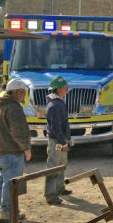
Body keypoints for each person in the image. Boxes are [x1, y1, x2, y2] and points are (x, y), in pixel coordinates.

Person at [0, 78, 31, 220]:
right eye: (22, 92)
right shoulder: (14, 108)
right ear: (16, 92)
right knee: (11, 182)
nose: (23, 96)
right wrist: (26, 148)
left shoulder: (1, 106)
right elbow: (18, 132)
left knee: (3, 180)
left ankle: (1, 209)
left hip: (1, 150)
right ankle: (7, 212)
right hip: (12, 152)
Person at [44, 75, 72, 205]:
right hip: (56, 141)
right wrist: (63, 142)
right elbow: (56, 127)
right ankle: (50, 194)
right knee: (53, 167)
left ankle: (59, 188)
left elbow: (63, 124)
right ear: (59, 88)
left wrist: (67, 139)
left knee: (61, 165)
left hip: (60, 140)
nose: (68, 89)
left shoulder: (58, 102)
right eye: (65, 87)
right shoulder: (55, 105)